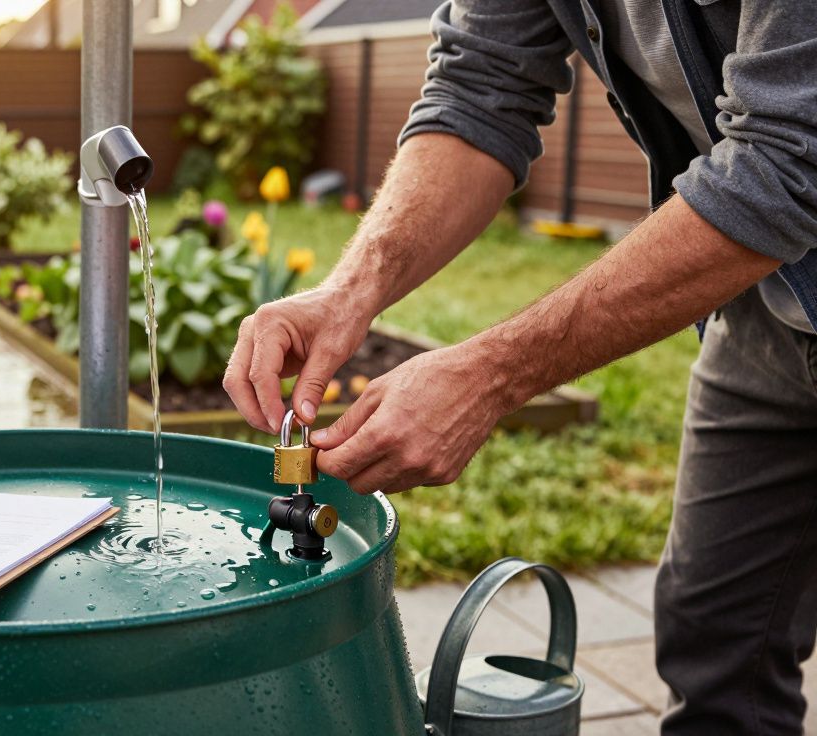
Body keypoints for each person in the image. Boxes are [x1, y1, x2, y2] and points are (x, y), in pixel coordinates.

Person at [222, 2, 817, 733]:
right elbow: (478, 88)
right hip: (769, 310)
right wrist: (349, 290)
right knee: (719, 646)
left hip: (778, 231)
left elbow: (788, 164)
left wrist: (487, 375)